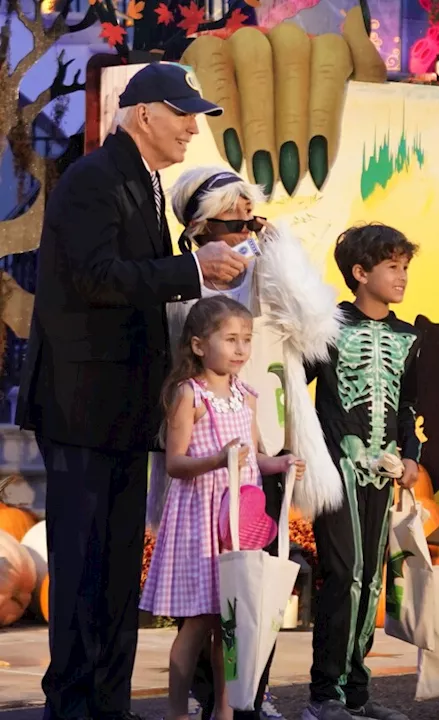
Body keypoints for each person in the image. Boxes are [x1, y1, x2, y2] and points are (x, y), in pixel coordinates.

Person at [15, 62, 246, 720]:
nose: (192, 128)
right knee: (85, 571)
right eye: (183, 114)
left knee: (116, 575)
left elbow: (136, 281)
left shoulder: (142, 181)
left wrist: (198, 275)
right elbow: (97, 277)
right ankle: (75, 704)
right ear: (143, 114)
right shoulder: (94, 179)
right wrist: (190, 269)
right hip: (83, 410)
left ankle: (106, 703)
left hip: (121, 413)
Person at [163, 167, 340, 720]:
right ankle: (202, 698)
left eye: (251, 219)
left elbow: (317, 327)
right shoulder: (175, 286)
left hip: (261, 437)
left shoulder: (268, 272)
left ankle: (247, 697)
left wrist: (280, 249)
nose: (244, 231)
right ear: (198, 224)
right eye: (230, 221)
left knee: (255, 586)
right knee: (206, 607)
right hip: (203, 465)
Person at [142, 296, 304, 720]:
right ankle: (177, 710)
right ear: (198, 345)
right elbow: (175, 463)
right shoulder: (188, 396)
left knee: (229, 625)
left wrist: (282, 462)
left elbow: (254, 455)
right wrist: (217, 460)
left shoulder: (246, 396)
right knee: (198, 623)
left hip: (237, 522)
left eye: (246, 340)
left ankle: (225, 710)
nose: (240, 349)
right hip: (200, 518)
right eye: (230, 339)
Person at [305, 224, 422, 720]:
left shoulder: (408, 337)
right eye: (392, 267)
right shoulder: (327, 326)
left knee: (372, 580)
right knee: (344, 574)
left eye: (405, 268)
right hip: (338, 469)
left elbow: (408, 405)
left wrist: (412, 455)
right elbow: (293, 385)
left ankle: (356, 691)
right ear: (360, 272)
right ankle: (322, 694)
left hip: (384, 471)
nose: (402, 277)